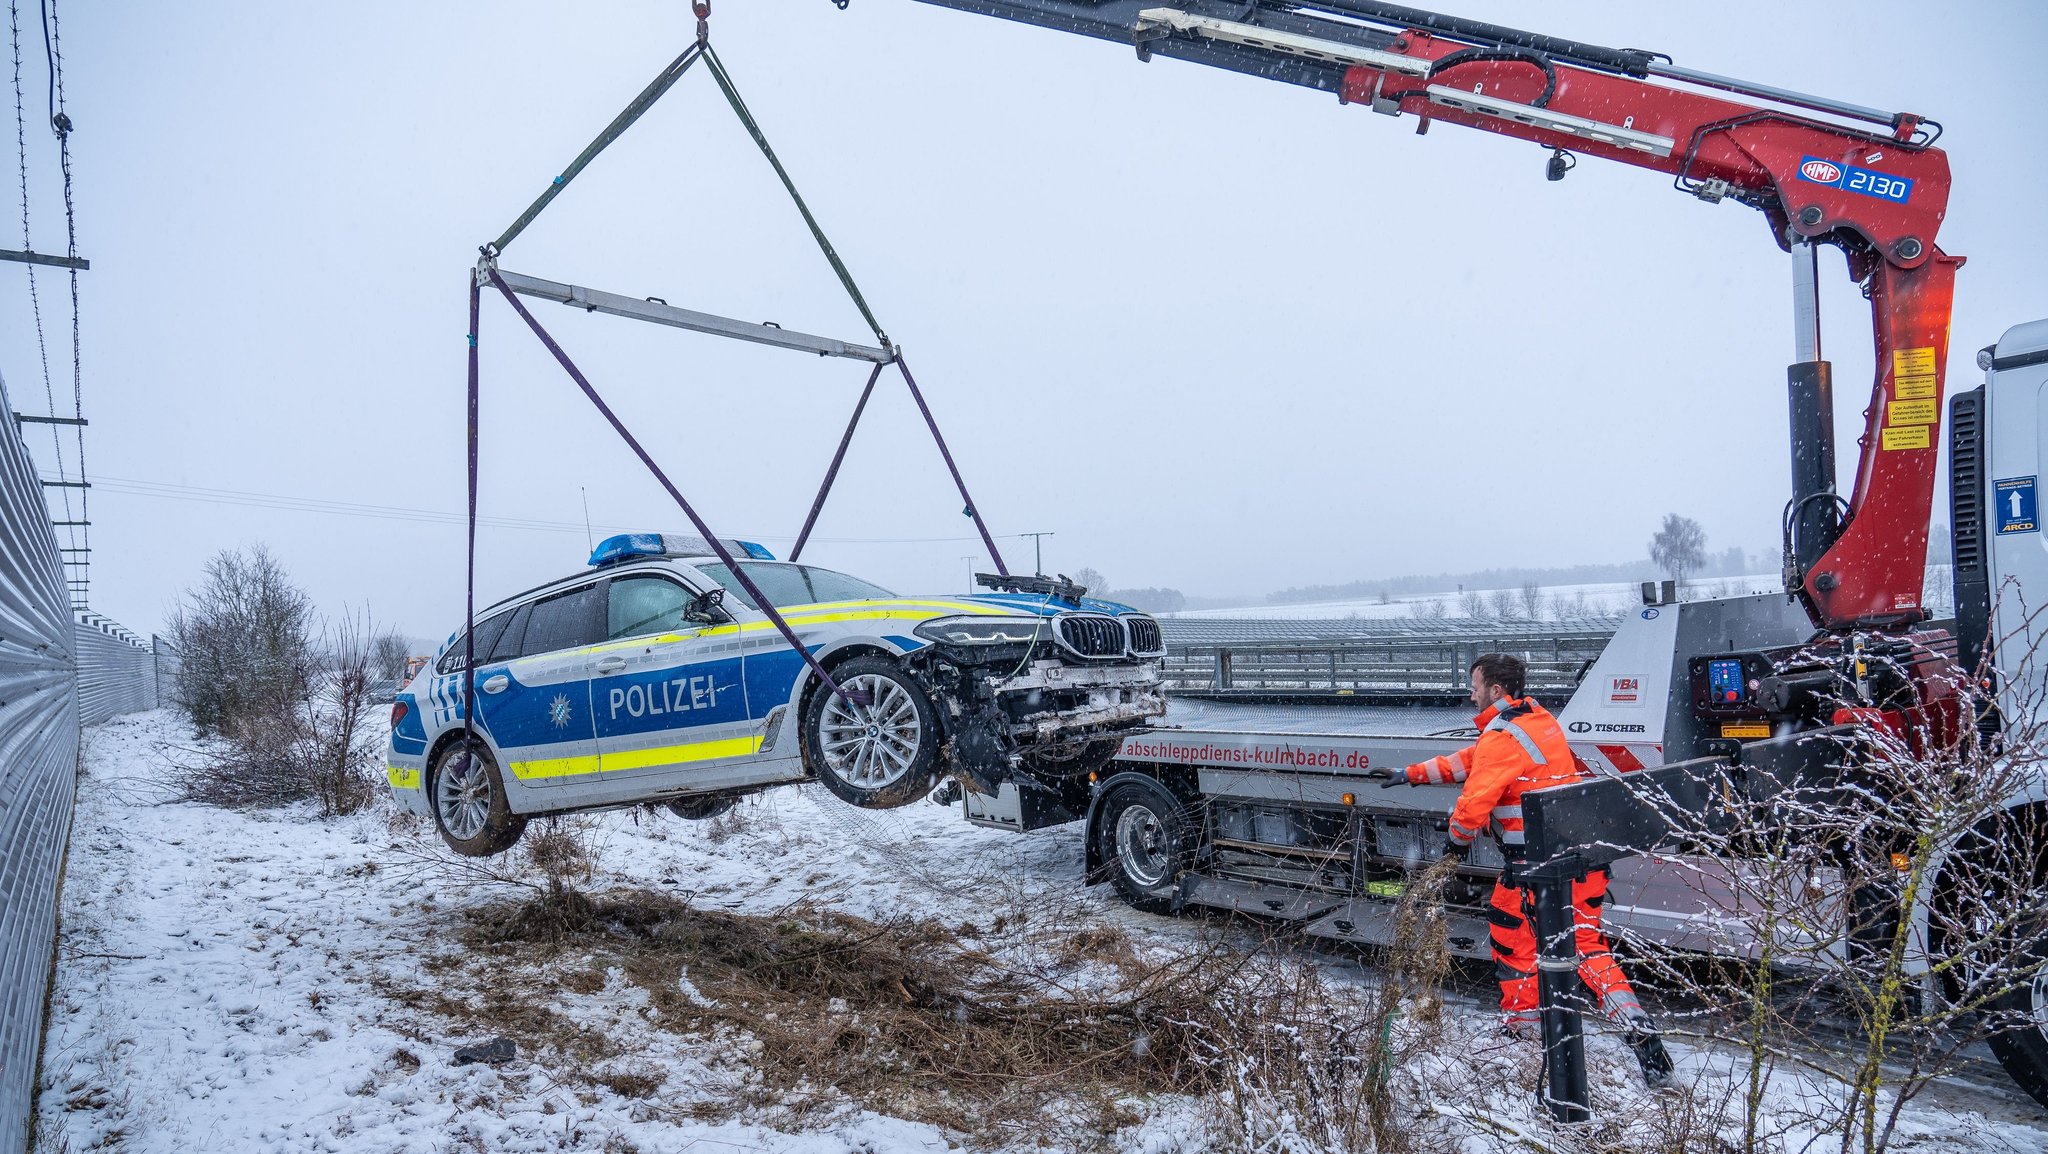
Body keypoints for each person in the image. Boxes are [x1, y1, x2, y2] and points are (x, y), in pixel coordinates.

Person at [1369, 652, 1672, 1086]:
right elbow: (1473, 761)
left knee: (1512, 938)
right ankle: (1637, 1027)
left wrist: (1454, 847)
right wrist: (1410, 773)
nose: (1469, 693)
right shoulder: (1536, 721)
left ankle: (1522, 1032)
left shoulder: (1501, 737)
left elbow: (1474, 801)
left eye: (1475, 686)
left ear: (1495, 690)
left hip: (1537, 867)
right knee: (1586, 947)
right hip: (1581, 859)